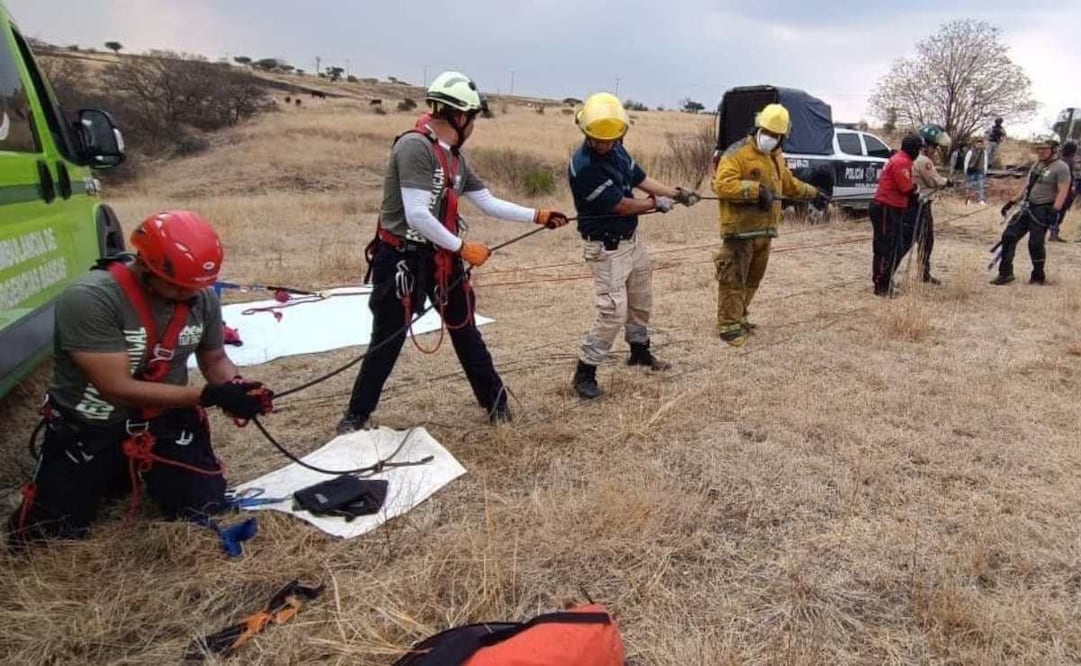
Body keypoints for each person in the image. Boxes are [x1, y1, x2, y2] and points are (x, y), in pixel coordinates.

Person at [8, 211, 275, 546]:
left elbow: (215, 358)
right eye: (178, 287)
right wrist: (209, 395)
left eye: (197, 287)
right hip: (92, 423)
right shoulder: (91, 298)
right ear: (146, 266)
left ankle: (126, 472)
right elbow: (115, 389)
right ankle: (109, 472)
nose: (190, 295)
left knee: (205, 504)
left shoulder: (201, 297)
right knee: (48, 536)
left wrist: (238, 388)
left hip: (164, 419)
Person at [339, 71, 569, 431]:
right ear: (460, 117)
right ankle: (356, 415)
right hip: (401, 259)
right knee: (387, 337)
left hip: (441, 259)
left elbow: (488, 203)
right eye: (473, 118)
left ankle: (497, 405)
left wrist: (537, 215)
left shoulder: (456, 160)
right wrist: (463, 247)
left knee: (465, 330)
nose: (474, 125)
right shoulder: (414, 147)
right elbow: (416, 214)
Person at [568, 92, 700, 398]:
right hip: (606, 247)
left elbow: (640, 178)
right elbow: (622, 206)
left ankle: (639, 352)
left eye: (611, 139)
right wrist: (656, 204)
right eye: (598, 139)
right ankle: (585, 371)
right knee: (613, 311)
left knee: (641, 300)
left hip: (631, 241)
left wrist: (676, 193)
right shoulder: (585, 166)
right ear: (586, 133)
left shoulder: (617, 148)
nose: (605, 144)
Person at [711, 103, 826, 344]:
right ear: (757, 128)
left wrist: (813, 193)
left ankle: (740, 317)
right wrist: (755, 190)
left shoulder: (775, 156)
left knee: (753, 280)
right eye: (767, 132)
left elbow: (788, 183)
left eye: (775, 135)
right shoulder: (736, 153)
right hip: (740, 232)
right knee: (733, 280)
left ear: (782, 138)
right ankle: (728, 327)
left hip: (765, 231)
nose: (770, 138)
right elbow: (722, 185)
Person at [992, 136, 1071, 285]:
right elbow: (1028, 186)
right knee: (1009, 236)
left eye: (1044, 148)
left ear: (1053, 150)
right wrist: (1012, 202)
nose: (1040, 151)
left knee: (1035, 243)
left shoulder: (1061, 167)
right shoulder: (1037, 165)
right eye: (1038, 148)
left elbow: (1063, 190)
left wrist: (1055, 210)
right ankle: (1005, 273)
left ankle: (1038, 276)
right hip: (1028, 207)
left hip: (1044, 209)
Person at [870, 135, 922, 296]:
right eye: (918, 149)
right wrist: (916, 189)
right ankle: (881, 286)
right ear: (913, 149)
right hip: (886, 208)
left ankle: (886, 280)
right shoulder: (901, 162)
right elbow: (905, 188)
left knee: (895, 246)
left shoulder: (902, 160)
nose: (919, 152)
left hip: (893, 208)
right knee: (885, 247)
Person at [912, 125, 955, 284]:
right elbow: (935, 181)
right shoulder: (924, 161)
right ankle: (924, 274)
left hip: (915, 204)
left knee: (918, 240)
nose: (935, 150)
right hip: (921, 206)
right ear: (926, 145)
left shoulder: (915, 158)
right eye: (934, 146)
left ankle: (923, 273)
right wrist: (948, 182)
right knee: (926, 240)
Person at [1049, 139, 1077, 242]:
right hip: (1065, 189)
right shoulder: (1069, 161)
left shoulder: (1059, 160)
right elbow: (1069, 177)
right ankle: (1054, 232)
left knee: (1056, 209)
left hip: (1055, 188)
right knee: (1061, 211)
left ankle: (1052, 230)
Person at [964, 137, 989, 205]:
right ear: (975, 144)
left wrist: (985, 170)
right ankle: (968, 199)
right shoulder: (970, 152)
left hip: (980, 171)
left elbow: (985, 162)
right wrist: (965, 170)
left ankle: (980, 200)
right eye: (978, 143)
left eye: (980, 144)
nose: (979, 145)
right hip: (971, 171)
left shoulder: (984, 152)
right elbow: (966, 161)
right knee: (970, 186)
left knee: (980, 186)